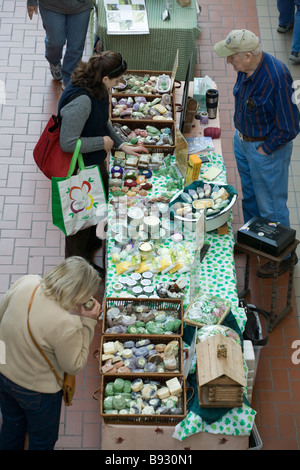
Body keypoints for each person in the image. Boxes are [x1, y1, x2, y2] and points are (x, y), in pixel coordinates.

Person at [214, 29, 300, 277]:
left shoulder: (277, 77)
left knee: (271, 205)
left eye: (232, 57)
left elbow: (290, 126)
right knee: (250, 195)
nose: (229, 61)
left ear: (249, 56)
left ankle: (282, 256)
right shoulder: (246, 69)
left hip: (266, 150)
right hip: (243, 142)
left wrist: (264, 150)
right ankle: (254, 239)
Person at [58, 51, 148, 276]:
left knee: (95, 210)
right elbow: (67, 143)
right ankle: (75, 273)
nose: (119, 85)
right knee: (79, 223)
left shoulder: (97, 87)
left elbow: (102, 121)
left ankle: (89, 254)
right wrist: (102, 142)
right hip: (79, 171)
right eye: (117, 81)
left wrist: (121, 145)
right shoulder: (81, 101)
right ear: (105, 78)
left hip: (93, 164)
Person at [0, 256, 102, 450]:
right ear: (79, 294)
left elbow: (0, 316)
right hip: (38, 391)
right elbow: (74, 365)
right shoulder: (67, 324)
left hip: (4, 376)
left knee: (12, 427)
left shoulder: (27, 282)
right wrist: (88, 322)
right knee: (41, 440)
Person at [26, 0, 93, 87]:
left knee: (76, 45)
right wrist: (31, 2)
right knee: (55, 42)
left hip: (81, 6)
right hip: (51, 6)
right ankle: (54, 61)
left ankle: (69, 78)